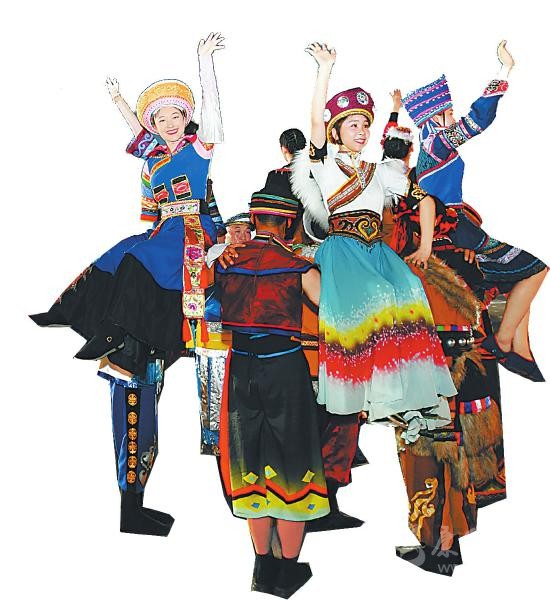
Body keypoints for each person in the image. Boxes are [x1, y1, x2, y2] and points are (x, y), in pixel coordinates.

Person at [30, 32, 226, 535]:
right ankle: (77, 315)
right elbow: (139, 152)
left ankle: (120, 326)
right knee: (120, 254)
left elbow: (214, 114)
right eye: (159, 120)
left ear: (186, 118)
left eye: (176, 115)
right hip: (164, 235)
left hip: (192, 234)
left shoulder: (200, 150)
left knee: (140, 259)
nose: (169, 124)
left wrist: (203, 61)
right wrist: (121, 103)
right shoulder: (152, 164)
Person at [292, 42, 456, 441]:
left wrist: (425, 247)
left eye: (365, 125)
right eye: (352, 125)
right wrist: (325, 69)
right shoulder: (325, 165)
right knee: (380, 296)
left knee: (411, 289)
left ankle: (414, 399)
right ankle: (380, 396)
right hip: (344, 251)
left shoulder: (380, 171)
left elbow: (425, 201)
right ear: (336, 131)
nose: (361, 131)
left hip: (377, 251)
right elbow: (314, 122)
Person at [379, 114, 506, 574]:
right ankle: (445, 540)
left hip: (429, 347)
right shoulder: (465, 224)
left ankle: (438, 545)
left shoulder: (406, 221)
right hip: (461, 348)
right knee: (451, 442)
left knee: (427, 443)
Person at [402, 41, 548, 381]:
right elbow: (478, 119)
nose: (453, 117)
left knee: (519, 275)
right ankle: (503, 340)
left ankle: (518, 346)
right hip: (456, 228)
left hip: (458, 224)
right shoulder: (437, 143)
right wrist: (504, 70)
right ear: (435, 116)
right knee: (535, 269)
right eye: (449, 112)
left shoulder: (429, 150)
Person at [216, 183, 329, 598]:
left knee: (251, 459)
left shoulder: (227, 262)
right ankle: (286, 572)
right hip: (284, 369)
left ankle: (262, 567)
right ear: (289, 222)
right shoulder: (297, 266)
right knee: (294, 462)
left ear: (253, 219)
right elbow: (331, 309)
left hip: (241, 368)